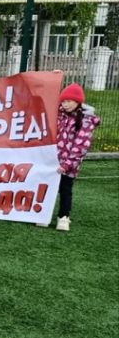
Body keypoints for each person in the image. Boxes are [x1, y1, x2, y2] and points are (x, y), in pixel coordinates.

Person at [54, 83, 100, 232]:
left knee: (65, 189)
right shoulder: (59, 114)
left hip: (69, 165)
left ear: (78, 102)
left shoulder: (86, 121)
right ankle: (44, 214)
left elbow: (80, 147)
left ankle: (63, 217)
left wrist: (67, 164)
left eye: (69, 101)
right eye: (63, 101)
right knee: (49, 188)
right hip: (52, 161)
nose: (65, 104)